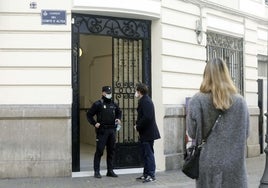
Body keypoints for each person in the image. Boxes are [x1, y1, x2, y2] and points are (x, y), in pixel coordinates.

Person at [186, 58, 249, 188]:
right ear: (226, 74)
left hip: (208, 163)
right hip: (235, 164)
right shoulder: (240, 102)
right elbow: (246, 133)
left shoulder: (197, 100)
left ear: (206, 75)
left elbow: (192, 132)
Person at [86, 86, 122, 178]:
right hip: (102, 131)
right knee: (100, 151)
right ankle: (97, 171)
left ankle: (110, 171)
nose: (109, 94)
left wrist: (118, 118)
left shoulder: (114, 103)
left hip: (112, 131)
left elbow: (119, 112)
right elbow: (89, 114)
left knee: (111, 151)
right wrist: (94, 123)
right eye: (107, 92)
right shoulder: (98, 104)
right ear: (103, 93)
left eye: (110, 92)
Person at [134, 83, 161, 183]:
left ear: (139, 91)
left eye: (136, 91)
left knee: (149, 154)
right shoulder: (144, 100)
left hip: (148, 133)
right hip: (145, 133)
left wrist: (138, 126)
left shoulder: (145, 101)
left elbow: (147, 117)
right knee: (145, 154)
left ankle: (151, 175)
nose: (135, 93)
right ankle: (146, 174)